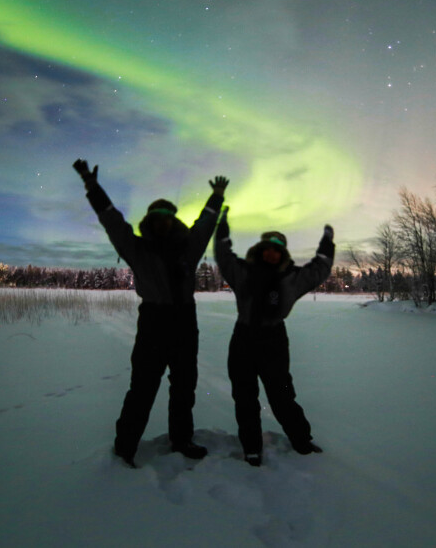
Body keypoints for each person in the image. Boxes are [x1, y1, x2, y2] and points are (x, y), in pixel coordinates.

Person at [73, 159, 228, 468]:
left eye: (167, 216)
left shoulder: (188, 248)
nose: (162, 221)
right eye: (156, 216)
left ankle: (181, 440)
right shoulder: (136, 248)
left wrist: (217, 197)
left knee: (184, 387)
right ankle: (125, 448)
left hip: (185, 321)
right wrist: (92, 186)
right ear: (149, 221)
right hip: (153, 322)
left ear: (173, 220)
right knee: (143, 388)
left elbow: (205, 224)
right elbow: (112, 220)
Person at [214, 207, 334, 466]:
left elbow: (319, 269)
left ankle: (301, 440)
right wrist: (222, 227)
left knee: (282, 395)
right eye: (267, 248)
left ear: (282, 253)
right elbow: (223, 256)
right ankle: (252, 448)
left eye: (276, 249)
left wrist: (327, 243)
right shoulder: (243, 272)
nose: (271, 253)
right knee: (245, 397)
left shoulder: (292, 278)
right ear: (260, 250)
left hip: (274, 340)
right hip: (244, 338)